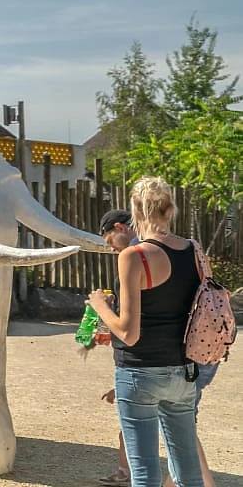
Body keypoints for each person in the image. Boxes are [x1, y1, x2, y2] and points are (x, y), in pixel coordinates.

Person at [88, 177, 205, 487]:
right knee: (189, 474)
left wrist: (101, 307)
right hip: (184, 371)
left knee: (145, 475)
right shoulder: (194, 250)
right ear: (170, 209)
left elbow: (128, 332)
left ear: (135, 211)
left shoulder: (134, 256)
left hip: (140, 373)